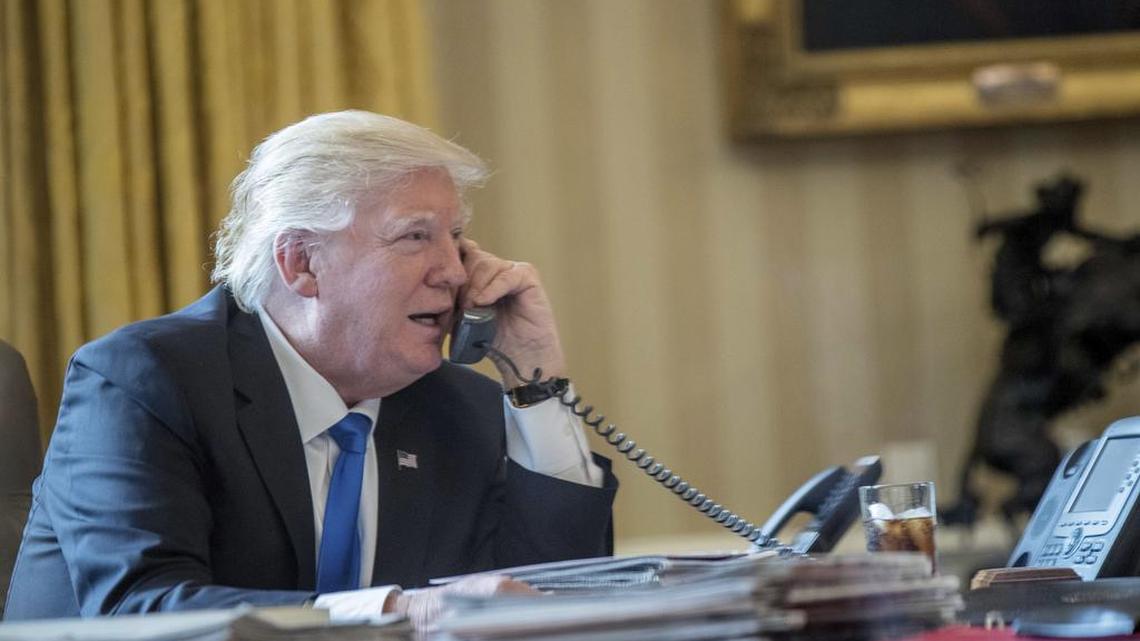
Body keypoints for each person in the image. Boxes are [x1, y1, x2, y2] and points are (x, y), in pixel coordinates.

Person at [5, 111, 618, 627]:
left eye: (456, 236)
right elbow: (143, 613)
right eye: (414, 237)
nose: (456, 272)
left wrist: (537, 388)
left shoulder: (457, 406)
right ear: (302, 262)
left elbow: (553, 607)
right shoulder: (146, 379)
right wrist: (406, 612)